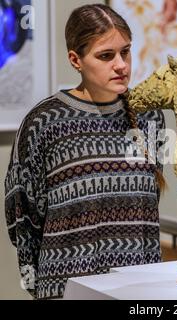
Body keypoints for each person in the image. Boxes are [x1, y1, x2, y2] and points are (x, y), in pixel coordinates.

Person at [4, 3, 166, 300]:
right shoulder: (44, 122)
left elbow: (149, 200)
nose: (121, 65)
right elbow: (22, 213)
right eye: (106, 55)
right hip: (68, 289)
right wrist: (38, 285)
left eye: (125, 52)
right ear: (75, 60)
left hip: (140, 288)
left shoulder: (150, 117)